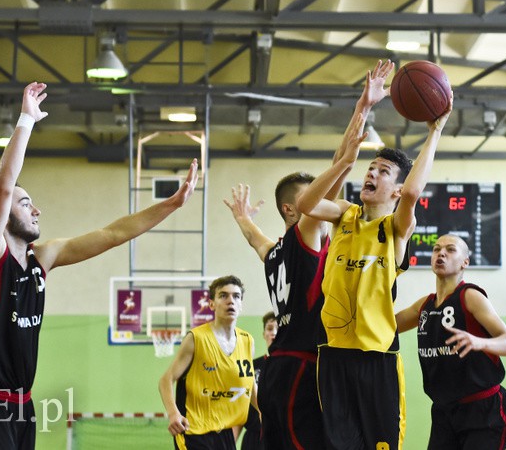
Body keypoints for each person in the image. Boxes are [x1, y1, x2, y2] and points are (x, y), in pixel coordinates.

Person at [0, 82, 198, 450]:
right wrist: (26, 120)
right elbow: (4, 186)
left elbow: (112, 233)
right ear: (3, 214)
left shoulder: (43, 258)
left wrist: (170, 206)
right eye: (25, 204)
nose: (36, 209)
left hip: (23, 405)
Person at [223, 60, 396, 450]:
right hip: (305, 366)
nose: (319, 199)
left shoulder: (274, 252)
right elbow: (336, 172)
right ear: (293, 210)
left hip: (280, 370)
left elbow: (255, 239)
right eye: (308, 196)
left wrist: (242, 219)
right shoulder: (305, 233)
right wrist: (362, 109)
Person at [296, 71, 452, 450]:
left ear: (394, 189)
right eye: (370, 169)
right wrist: (360, 114)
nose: (372, 173)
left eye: (383, 172)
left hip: (376, 357)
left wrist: (435, 131)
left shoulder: (395, 227)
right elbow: (306, 204)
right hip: (333, 353)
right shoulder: (344, 214)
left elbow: (413, 191)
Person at [395, 234, 506, 449]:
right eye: (436, 249)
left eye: (450, 249)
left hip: (484, 412)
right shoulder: (424, 306)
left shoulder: (470, 296)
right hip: (445, 412)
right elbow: (386, 327)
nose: (441, 253)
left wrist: (479, 342)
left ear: (465, 262)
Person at [159, 275, 258, 450]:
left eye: (236, 296)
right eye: (223, 296)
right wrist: (173, 413)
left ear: (241, 304)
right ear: (211, 304)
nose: (230, 301)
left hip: (225, 431)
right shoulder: (196, 338)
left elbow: (250, 386)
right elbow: (166, 380)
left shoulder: (247, 341)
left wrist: (265, 412)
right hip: (193, 432)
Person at [239, 312, 278, 450]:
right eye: (269, 328)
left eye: (278, 328)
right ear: (263, 334)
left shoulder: (294, 367)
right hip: (254, 438)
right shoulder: (252, 366)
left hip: (280, 436)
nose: (274, 333)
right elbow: (242, 405)